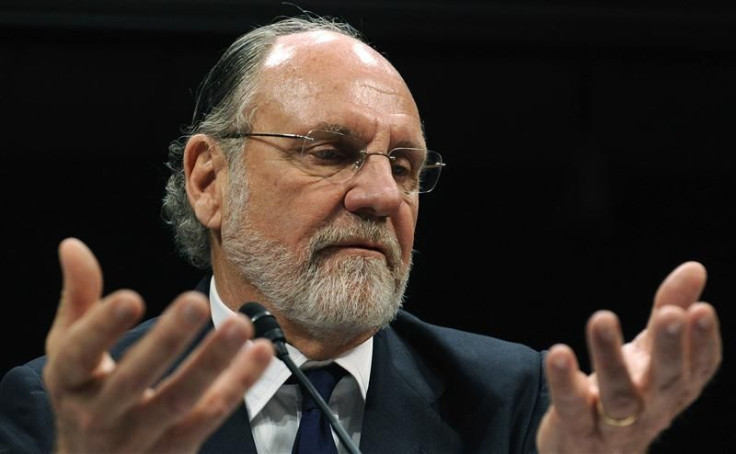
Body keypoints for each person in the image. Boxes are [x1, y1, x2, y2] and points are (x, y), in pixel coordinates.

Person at [0, 14, 722, 454]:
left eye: (405, 166)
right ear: (208, 181)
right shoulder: (69, 413)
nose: (382, 196)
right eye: (329, 152)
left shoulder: (513, 403)